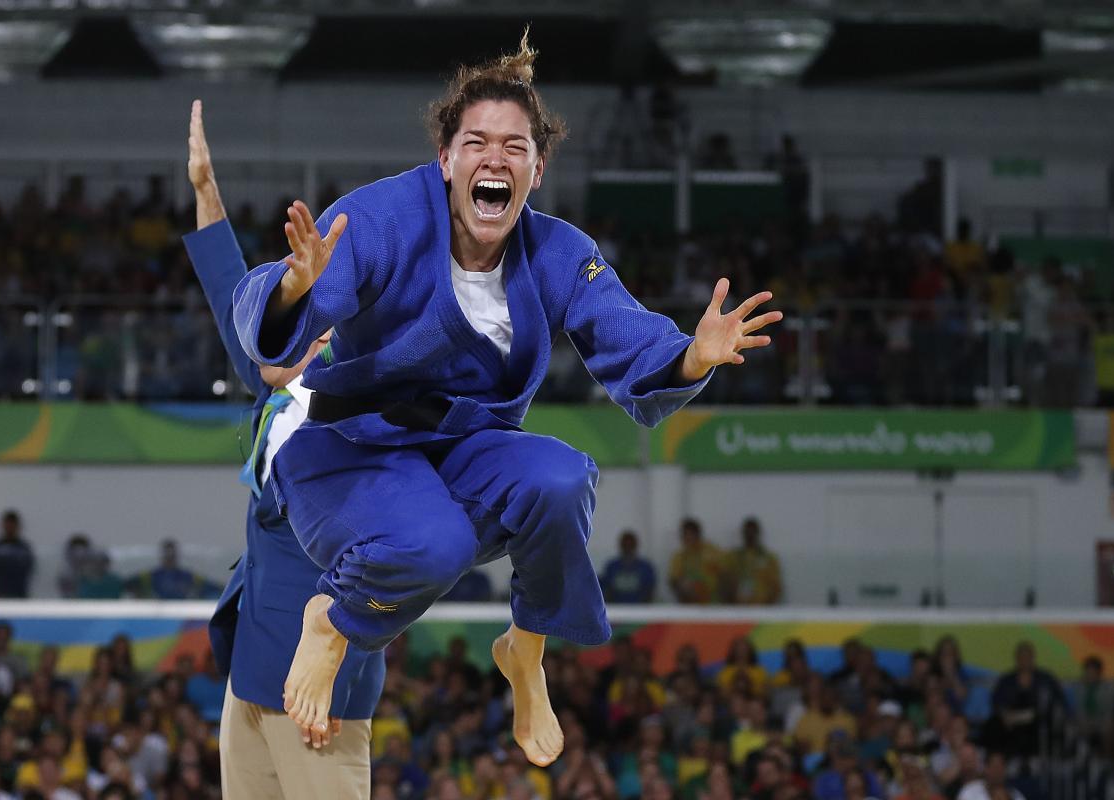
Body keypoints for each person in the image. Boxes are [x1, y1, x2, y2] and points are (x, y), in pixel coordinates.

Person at [230, 32, 780, 766]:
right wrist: (292, 288)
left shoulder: (557, 252)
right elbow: (279, 307)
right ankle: (334, 621)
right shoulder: (384, 217)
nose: (496, 159)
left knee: (563, 477)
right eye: (477, 143)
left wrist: (689, 357)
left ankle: (525, 650)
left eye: (515, 147)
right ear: (446, 160)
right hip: (352, 451)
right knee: (438, 546)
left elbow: (627, 337)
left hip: (462, 452)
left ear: (537, 168)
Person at [184, 100, 384, 797]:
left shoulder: (366, 419)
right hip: (249, 681)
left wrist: (336, 665)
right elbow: (226, 292)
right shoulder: (275, 381)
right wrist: (206, 188)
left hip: (315, 699)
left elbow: (392, 559)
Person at [127, 540, 220, 600]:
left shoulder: (188, 576)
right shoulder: (150, 576)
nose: (169, 558)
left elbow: (212, 587)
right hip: (158, 612)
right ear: (162, 556)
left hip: (179, 610)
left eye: (172, 555)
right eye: (167, 555)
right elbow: (127, 585)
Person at [668, 518, 726, 604]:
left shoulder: (712, 551)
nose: (688, 538)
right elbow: (673, 580)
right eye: (685, 535)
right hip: (690, 605)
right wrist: (683, 587)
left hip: (713, 603)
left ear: (698, 534)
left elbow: (725, 574)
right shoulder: (679, 557)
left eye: (690, 534)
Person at [726, 517, 782, 605]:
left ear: (758, 533)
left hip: (762, 607)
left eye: (752, 532)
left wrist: (768, 605)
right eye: (747, 532)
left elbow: (776, 586)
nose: (750, 535)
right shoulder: (733, 558)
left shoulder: (768, 558)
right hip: (737, 607)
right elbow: (726, 582)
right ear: (743, 533)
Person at [600, 530, 657, 604]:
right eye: (625, 545)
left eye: (630, 545)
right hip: (616, 608)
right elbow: (606, 590)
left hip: (641, 609)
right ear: (621, 546)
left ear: (635, 546)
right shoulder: (611, 567)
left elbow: (649, 591)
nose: (628, 549)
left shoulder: (646, 568)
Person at [0, 510, 34, 598]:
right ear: (3, 525)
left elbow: (27, 569)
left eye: (12, 524)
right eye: (7, 524)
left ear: (17, 526)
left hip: (18, 594)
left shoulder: (24, 548)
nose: (9, 527)